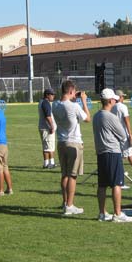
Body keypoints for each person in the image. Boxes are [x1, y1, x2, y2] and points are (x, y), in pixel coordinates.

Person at [92, 89, 132, 223]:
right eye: (114, 100)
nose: (115, 101)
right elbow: (122, 135)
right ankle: (117, 213)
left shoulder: (96, 116)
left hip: (101, 152)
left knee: (102, 185)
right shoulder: (110, 116)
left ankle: (102, 212)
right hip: (112, 152)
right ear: (110, 101)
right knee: (117, 183)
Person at [53, 80, 90, 215]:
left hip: (61, 142)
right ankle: (70, 205)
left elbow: (63, 101)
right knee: (72, 176)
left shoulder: (55, 105)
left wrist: (74, 98)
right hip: (73, 142)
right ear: (70, 92)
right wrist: (84, 101)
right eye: (74, 92)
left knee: (64, 174)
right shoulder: (74, 106)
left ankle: (65, 202)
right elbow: (87, 118)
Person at [38, 88, 57, 169]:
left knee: (46, 146)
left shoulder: (41, 102)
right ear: (47, 95)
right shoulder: (46, 103)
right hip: (47, 128)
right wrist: (52, 126)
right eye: (52, 94)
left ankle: (46, 163)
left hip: (42, 127)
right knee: (50, 147)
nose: (53, 96)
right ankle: (50, 163)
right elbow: (48, 116)